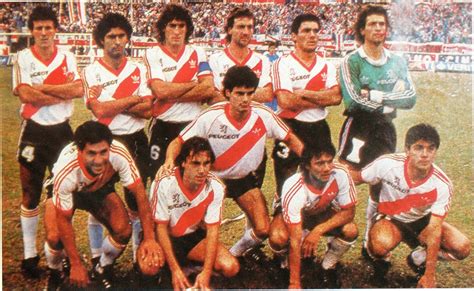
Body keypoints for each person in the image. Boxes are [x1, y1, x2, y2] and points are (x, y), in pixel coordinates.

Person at [163, 66, 304, 257]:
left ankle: (235, 253)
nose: (245, 99)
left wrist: (310, 161)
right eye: (239, 93)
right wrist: (169, 160)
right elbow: (177, 142)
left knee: (263, 229)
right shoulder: (211, 116)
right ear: (227, 93)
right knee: (196, 229)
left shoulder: (264, 115)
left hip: (242, 180)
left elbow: (290, 138)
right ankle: (190, 259)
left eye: (249, 93)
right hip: (209, 181)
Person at [44, 121, 164, 289]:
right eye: (91, 153)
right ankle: (55, 271)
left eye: (103, 152)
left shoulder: (119, 152)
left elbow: (140, 195)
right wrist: (76, 263)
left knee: (123, 230)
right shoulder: (66, 170)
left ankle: (102, 268)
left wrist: (150, 238)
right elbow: (64, 219)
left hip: (98, 188)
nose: (99, 160)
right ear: (79, 151)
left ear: (109, 147)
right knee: (54, 236)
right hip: (70, 191)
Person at [337, 5, 417, 255]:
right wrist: (388, 100)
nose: (378, 28)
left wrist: (374, 94)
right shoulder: (352, 60)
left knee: (380, 182)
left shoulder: (397, 61)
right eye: (372, 24)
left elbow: (411, 97)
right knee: (345, 176)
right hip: (358, 127)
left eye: (382, 24)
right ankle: (334, 236)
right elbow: (352, 101)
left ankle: (370, 242)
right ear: (362, 29)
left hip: (385, 128)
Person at [12, 5, 83, 278]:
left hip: (62, 133)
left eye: (48, 27)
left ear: (56, 30)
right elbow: (26, 96)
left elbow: (77, 89)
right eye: (38, 28)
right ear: (32, 31)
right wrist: (60, 94)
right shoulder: (23, 58)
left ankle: (60, 252)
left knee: (62, 194)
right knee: (30, 193)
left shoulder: (67, 57)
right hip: (33, 131)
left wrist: (41, 88)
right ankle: (30, 254)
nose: (43, 32)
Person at [351, 124, 470, 287]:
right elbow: (358, 177)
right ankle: (382, 262)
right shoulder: (388, 164)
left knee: (461, 247)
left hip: (422, 221)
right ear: (407, 150)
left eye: (431, 149)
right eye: (418, 148)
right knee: (378, 246)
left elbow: (434, 229)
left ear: (436, 151)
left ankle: (417, 258)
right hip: (391, 219)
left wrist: (429, 274)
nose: (425, 155)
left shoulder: (442, 184)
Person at [82, 13, 153, 266]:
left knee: (136, 198)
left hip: (135, 139)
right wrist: (133, 99)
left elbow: (148, 110)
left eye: (121, 36)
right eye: (111, 36)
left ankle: (137, 257)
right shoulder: (90, 71)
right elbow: (99, 111)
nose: (117, 41)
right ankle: (96, 256)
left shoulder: (138, 69)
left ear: (128, 39)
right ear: (101, 40)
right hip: (105, 141)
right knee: (99, 196)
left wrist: (114, 103)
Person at [271, 13, 341, 210]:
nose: (312, 35)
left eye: (316, 31)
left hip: (319, 128)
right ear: (294, 35)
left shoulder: (326, 65)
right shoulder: (282, 64)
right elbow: (285, 101)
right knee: (287, 180)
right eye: (306, 31)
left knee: (320, 183)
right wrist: (320, 97)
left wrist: (303, 93)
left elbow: (335, 98)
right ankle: (281, 206)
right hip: (290, 127)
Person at [151, 137, 240, 290]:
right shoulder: (164, 183)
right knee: (149, 268)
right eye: (196, 163)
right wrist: (175, 270)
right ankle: (175, 269)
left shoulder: (216, 186)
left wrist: (206, 272)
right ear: (183, 163)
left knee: (231, 267)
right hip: (164, 237)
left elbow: (212, 231)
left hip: (192, 239)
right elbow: (160, 228)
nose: (202, 170)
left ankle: (192, 269)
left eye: (206, 164)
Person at [269, 142, 357, 289]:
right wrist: (294, 283)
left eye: (329, 161)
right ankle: (284, 265)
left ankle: (328, 266)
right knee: (278, 237)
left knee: (350, 230)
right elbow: (295, 240)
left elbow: (349, 212)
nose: (327, 168)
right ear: (307, 166)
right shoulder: (295, 187)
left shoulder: (341, 173)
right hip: (295, 215)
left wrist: (318, 230)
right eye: (320, 163)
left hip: (320, 211)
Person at [143, 4, 215, 181]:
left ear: (187, 29)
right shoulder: (152, 53)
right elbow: (160, 91)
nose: (177, 31)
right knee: (159, 178)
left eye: (181, 26)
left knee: (192, 179)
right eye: (172, 26)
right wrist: (192, 84)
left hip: (191, 126)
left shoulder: (198, 53)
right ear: (163, 28)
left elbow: (207, 88)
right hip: (163, 126)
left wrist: (171, 91)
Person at [209, 7, 272, 103]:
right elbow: (212, 98)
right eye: (241, 27)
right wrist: (254, 92)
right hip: (224, 117)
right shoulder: (215, 59)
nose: (246, 32)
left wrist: (230, 92)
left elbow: (267, 95)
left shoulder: (262, 60)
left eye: (250, 27)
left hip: (253, 117)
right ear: (230, 30)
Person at [263, 41, 280, 111]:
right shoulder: (265, 57)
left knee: (275, 92)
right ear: (268, 49)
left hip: (275, 77)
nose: (272, 50)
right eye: (271, 48)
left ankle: (275, 108)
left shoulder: (277, 57)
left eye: (274, 48)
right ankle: (267, 107)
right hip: (268, 77)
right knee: (269, 92)